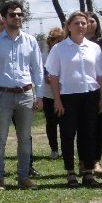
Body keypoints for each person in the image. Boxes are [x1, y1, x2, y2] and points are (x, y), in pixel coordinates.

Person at [0, 1, 43, 190]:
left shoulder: (30, 41)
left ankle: (23, 177)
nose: (17, 17)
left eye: (19, 14)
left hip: (26, 94)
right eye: (12, 14)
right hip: (2, 95)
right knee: (0, 139)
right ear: (4, 17)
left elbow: (37, 69)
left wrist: (39, 95)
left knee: (25, 138)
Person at [45, 12, 102, 187]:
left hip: (91, 95)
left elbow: (100, 75)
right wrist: (57, 100)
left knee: (88, 134)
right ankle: (71, 173)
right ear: (69, 26)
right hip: (68, 97)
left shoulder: (94, 48)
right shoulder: (59, 49)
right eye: (77, 23)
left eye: (83, 23)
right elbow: (53, 76)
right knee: (68, 134)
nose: (81, 26)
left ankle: (88, 172)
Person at [83, 13, 102, 177]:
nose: (89, 24)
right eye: (85, 21)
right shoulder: (73, 42)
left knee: (97, 127)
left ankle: (96, 160)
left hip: (100, 90)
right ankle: (83, 161)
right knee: (82, 128)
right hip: (80, 91)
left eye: (92, 21)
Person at [42, 27, 67, 159]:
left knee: (65, 124)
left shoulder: (66, 55)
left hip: (65, 95)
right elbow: (46, 78)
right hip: (48, 96)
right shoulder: (44, 57)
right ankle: (54, 150)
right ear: (50, 42)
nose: (59, 43)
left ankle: (66, 149)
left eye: (61, 40)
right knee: (51, 124)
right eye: (57, 41)